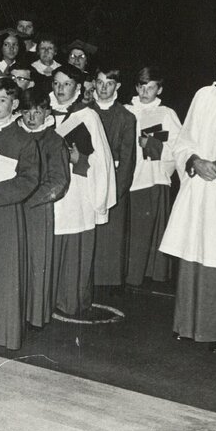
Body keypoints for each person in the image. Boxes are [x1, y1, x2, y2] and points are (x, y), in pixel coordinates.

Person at [160, 34, 216, 353]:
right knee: (195, 257)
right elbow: (184, 140)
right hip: (200, 188)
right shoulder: (204, 95)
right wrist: (194, 161)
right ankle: (187, 325)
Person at [0, 77, 39, 350]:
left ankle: (1, 333)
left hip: (5, 213)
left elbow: (29, 179)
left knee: (2, 273)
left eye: (2, 100)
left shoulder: (24, 140)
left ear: (14, 104)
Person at [50, 64, 115, 318]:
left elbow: (103, 160)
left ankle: (71, 302)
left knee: (74, 247)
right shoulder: (42, 114)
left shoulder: (87, 116)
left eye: (66, 84)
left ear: (78, 88)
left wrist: (80, 159)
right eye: (56, 83)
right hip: (50, 191)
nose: (60, 89)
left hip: (78, 191)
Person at [18, 88, 70, 328]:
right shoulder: (16, 135)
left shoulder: (53, 140)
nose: (31, 117)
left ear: (47, 112)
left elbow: (59, 182)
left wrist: (27, 198)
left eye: (37, 112)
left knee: (36, 261)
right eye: (27, 111)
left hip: (37, 208)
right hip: (12, 207)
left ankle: (34, 316)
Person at [125, 66, 182, 287]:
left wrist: (154, 145)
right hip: (129, 178)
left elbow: (179, 148)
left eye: (150, 87)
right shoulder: (126, 110)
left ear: (159, 89)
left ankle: (148, 278)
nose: (145, 91)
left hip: (153, 177)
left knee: (148, 233)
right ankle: (128, 276)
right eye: (141, 86)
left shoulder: (166, 113)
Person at [89, 66, 137, 295]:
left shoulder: (127, 117)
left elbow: (128, 158)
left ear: (117, 86)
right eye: (99, 82)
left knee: (112, 233)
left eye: (109, 83)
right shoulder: (83, 111)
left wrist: (116, 190)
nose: (104, 88)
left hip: (114, 181)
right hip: (88, 178)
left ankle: (109, 283)